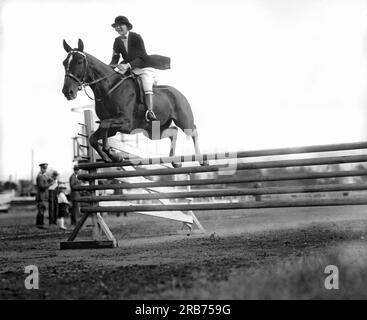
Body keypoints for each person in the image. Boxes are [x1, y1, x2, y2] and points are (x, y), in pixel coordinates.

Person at [109, 15, 170, 122]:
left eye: (120, 25)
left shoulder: (136, 37)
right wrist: (110, 67)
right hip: (130, 69)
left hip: (144, 67)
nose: (118, 28)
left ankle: (150, 111)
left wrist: (127, 65)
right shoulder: (117, 41)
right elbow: (115, 58)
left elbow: (143, 57)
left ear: (127, 26)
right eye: (116, 26)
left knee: (146, 84)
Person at [35, 163, 54, 227]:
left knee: (42, 209)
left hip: (44, 196)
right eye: (43, 168)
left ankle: (40, 223)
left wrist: (50, 180)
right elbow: (41, 186)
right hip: (41, 196)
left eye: (45, 168)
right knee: (41, 210)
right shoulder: (40, 176)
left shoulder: (44, 176)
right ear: (41, 168)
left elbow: (46, 182)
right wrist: (49, 184)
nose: (45, 170)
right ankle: (40, 223)